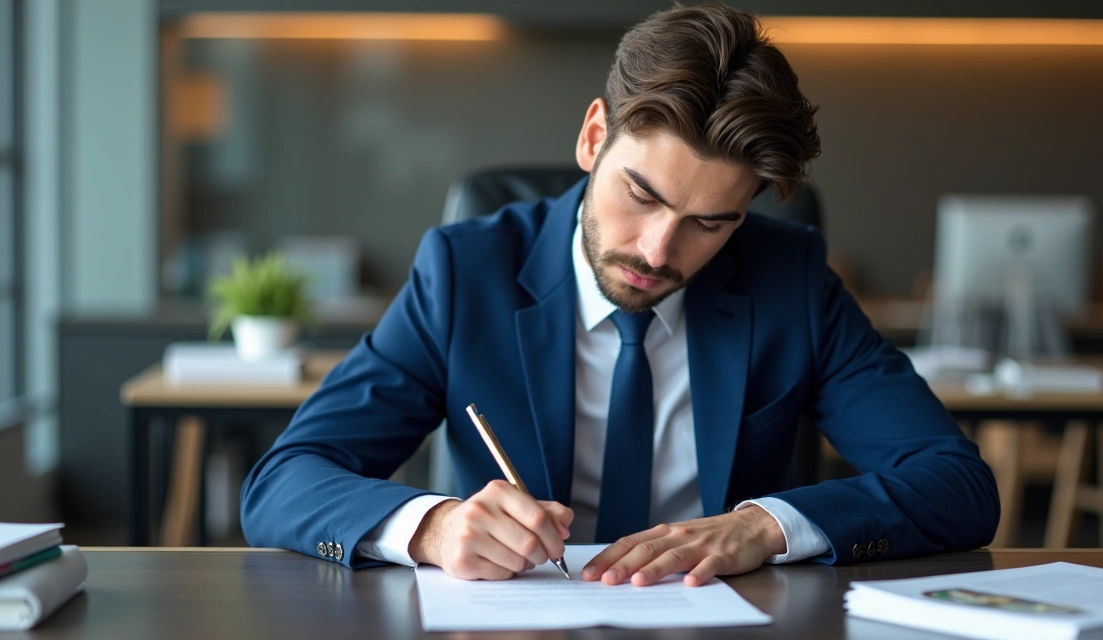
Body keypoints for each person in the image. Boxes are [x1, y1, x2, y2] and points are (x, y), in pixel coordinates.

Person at [240, 2, 999, 587]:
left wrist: (768, 526)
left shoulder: (790, 280)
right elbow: (285, 481)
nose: (658, 251)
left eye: (711, 222)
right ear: (593, 137)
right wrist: (432, 527)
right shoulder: (462, 273)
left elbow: (958, 485)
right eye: (641, 194)